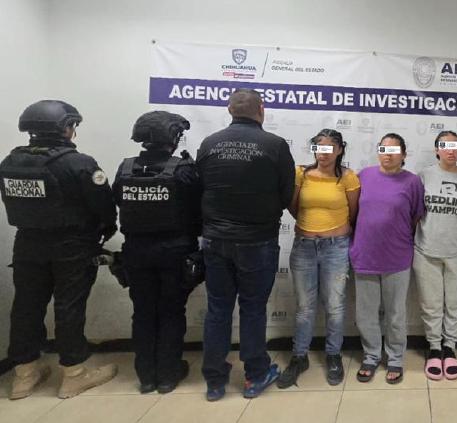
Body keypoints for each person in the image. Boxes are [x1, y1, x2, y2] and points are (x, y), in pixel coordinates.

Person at [0, 100, 118, 399]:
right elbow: (104, 205)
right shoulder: (78, 164)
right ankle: (74, 374)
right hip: (71, 246)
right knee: (69, 306)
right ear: (65, 128)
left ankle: (24, 374)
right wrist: (106, 227)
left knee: (26, 306)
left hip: (27, 244)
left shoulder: (10, 162)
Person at [196, 89, 295, 401]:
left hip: (215, 240)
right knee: (253, 309)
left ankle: (214, 381)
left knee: (218, 309)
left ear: (229, 110)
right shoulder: (275, 145)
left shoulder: (209, 143)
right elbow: (287, 195)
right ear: (261, 110)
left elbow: (199, 189)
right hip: (257, 241)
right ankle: (255, 375)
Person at [112, 111, 201, 394]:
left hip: (136, 251)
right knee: (171, 312)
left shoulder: (126, 168)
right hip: (174, 251)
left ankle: (147, 376)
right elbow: (199, 209)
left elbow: (117, 202)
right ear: (172, 137)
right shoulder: (183, 170)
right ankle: (168, 375)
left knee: (143, 312)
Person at [277, 129, 360, 388]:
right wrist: (310, 228)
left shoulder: (348, 177)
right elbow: (293, 206)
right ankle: (299, 356)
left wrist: (332, 232)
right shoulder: (300, 174)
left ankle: (333, 355)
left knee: (334, 305)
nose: (322, 153)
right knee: (305, 307)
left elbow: (353, 213)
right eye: (318, 147)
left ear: (339, 150)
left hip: (336, 247)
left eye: (328, 148)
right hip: (304, 246)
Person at [350, 133, 425, 384]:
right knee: (366, 313)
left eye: (394, 150)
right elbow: (353, 212)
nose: (388, 154)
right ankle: (371, 355)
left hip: (397, 256)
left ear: (404, 155)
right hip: (365, 255)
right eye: (383, 149)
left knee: (395, 313)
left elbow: (416, 216)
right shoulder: (363, 176)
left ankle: (395, 358)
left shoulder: (412, 182)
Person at [413, 130, 457, 381]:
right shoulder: (423, 176)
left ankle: (450, 348)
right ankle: (434, 348)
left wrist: (455, 228)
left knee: (454, 302)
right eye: (445, 145)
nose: (451, 150)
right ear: (437, 150)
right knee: (431, 304)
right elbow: (416, 211)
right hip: (426, 249)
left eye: (456, 146)